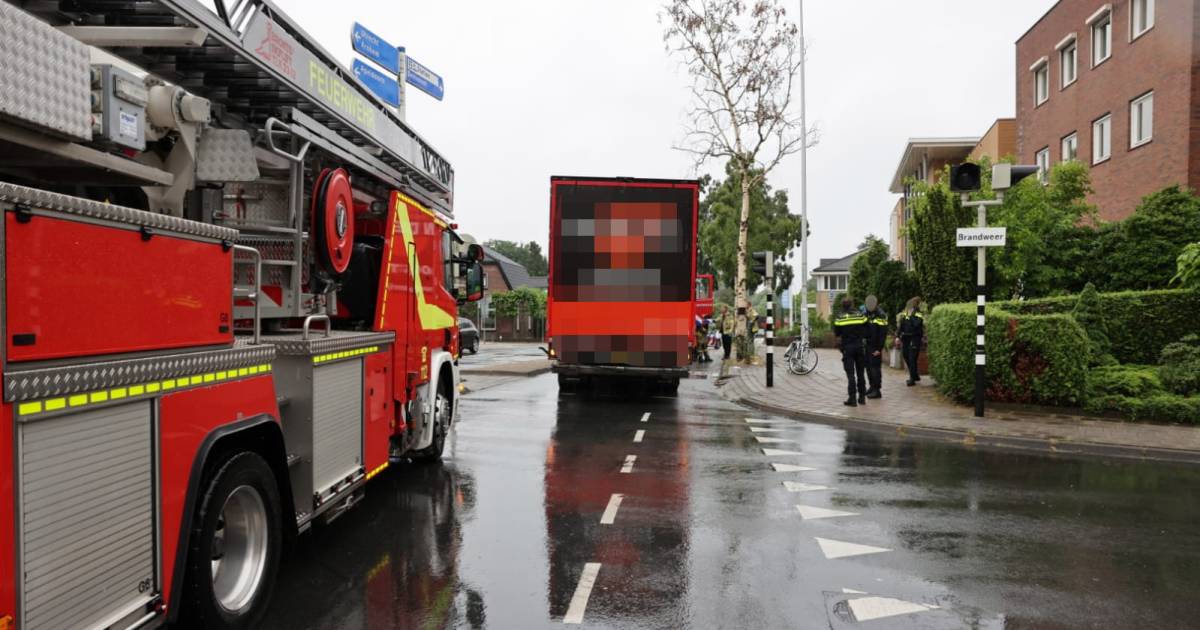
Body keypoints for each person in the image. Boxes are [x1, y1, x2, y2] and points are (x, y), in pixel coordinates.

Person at [833, 297, 868, 406]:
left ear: (843, 305)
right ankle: (862, 398)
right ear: (852, 304)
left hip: (848, 348)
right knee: (861, 373)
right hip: (859, 347)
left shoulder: (840, 316)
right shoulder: (860, 314)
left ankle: (852, 399)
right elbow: (866, 327)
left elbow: (837, 333)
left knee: (851, 374)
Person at [862, 295, 888, 399]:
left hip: (875, 346)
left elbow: (883, 334)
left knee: (875, 369)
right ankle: (872, 387)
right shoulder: (866, 314)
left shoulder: (881, 315)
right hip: (867, 345)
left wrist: (879, 348)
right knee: (868, 368)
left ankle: (877, 390)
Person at [897, 297, 925, 386]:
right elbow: (901, 325)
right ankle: (915, 374)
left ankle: (912, 379)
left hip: (914, 338)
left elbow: (916, 324)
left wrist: (910, 316)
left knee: (912, 358)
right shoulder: (905, 314)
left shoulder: (918, 314)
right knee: (906, 355)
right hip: (905, 338)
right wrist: (898, 336)